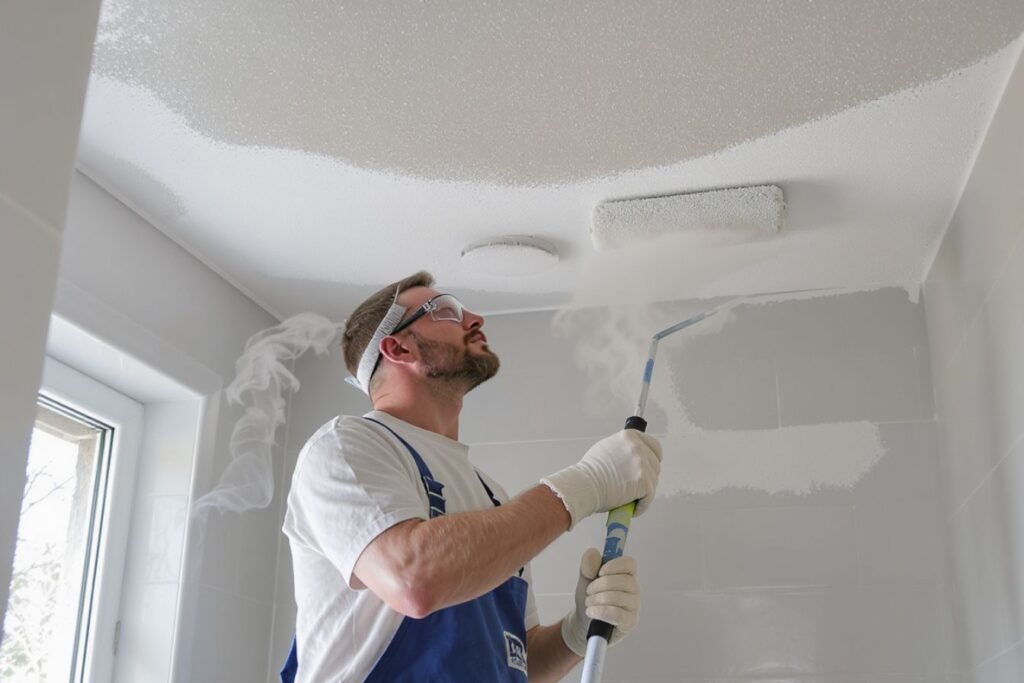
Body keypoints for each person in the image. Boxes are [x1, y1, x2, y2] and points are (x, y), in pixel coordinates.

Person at [281, 271, 662, 682]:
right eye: (446, 310)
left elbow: (518, 661)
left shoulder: (492, 495)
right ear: (398, 347)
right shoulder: (345, 446)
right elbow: (414, 579)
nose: (476, 318)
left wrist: (577, 631)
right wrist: (587, 483)